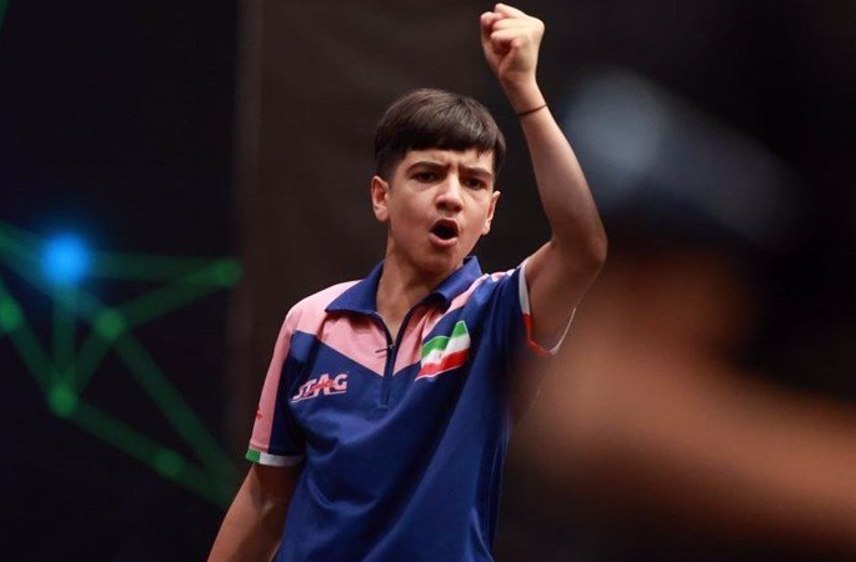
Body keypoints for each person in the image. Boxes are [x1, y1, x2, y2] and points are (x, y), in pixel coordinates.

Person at [209, 4, 606, 560]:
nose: (450, 195)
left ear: (488, 214)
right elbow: (264, 498)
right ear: (380, 196)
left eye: (473, 182)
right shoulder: (311, 323)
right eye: (427, 174)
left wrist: (524, 91)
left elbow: (583, 249)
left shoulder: (494, 310)